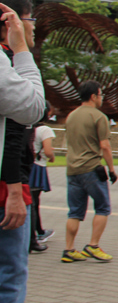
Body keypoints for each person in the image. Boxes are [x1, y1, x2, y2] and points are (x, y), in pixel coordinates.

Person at [0, 0, 47, 303]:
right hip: (6, 187)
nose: (32, 28)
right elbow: (27, 114)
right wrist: (15, 189)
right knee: (10, 278)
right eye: (29, 20)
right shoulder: (7, 62)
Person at [63, 81, 117, 263]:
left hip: (72, 169)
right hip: (91, 168)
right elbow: (105, 146)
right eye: (101, 95)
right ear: (94, 96)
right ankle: (93, 245)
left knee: (74, 212)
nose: (101, 99)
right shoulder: (99, 117)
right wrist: (111, 169)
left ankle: (69, 249)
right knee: (103, 207)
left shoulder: (71, 116)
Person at [28, 103, 55, 252]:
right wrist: (52, 156)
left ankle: (39, 231)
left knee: (32, 202)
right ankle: (33, 237)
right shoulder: (45, 129)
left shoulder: (30, 127)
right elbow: (48, 150)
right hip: (38, 167)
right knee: (33, 203)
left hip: (28, 166)